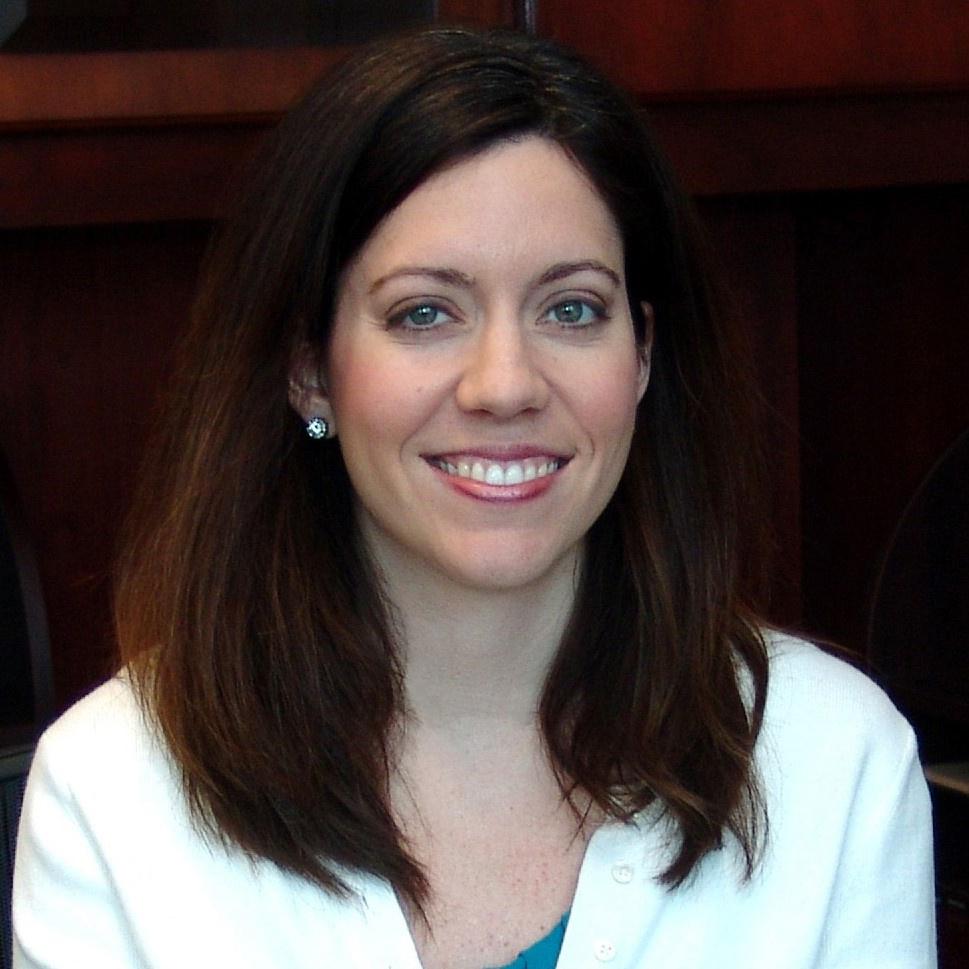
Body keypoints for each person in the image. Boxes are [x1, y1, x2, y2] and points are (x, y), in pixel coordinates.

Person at [13, 26, 934, 969]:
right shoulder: (112, 788)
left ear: (643, 354)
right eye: (424, 313)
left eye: (570, 309)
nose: (504, 383)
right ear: (308, 369)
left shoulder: (832, 759)